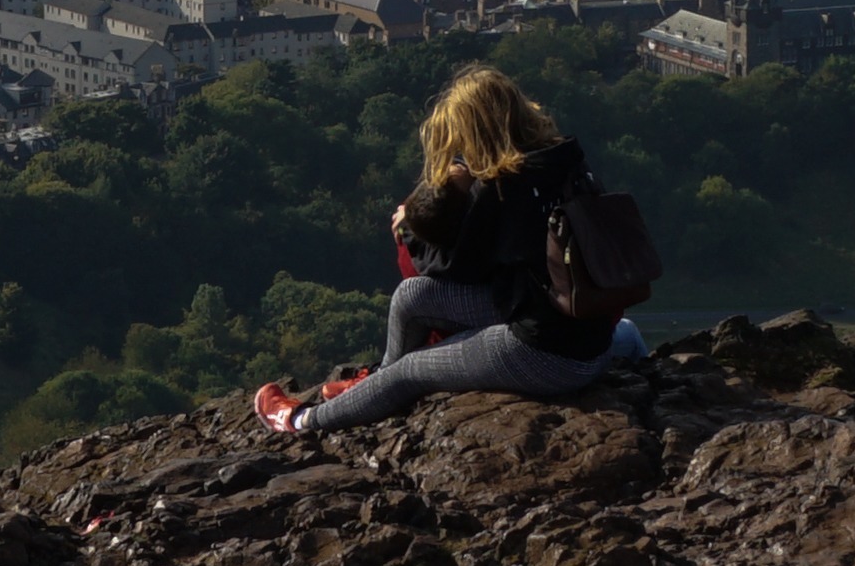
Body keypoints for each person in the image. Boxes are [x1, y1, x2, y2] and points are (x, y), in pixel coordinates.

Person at [259, 65, 635, 442]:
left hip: (549, 354)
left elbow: (458, 270)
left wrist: (409, 231)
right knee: (413, 297)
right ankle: (372, 389)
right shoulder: (565, 162)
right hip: (583, 331)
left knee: (409, 372)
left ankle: (298, 421)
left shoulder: (503, 188)